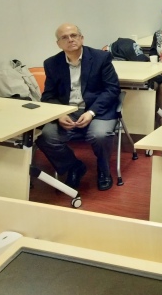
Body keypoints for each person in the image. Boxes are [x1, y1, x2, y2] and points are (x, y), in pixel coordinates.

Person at [37, 23, 120, 191]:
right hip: (67, 111)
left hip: (97, 110)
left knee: (100, 135)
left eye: (74, 35)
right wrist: (59, 114)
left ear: (81, 38)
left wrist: (91, 112)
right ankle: (74, 166)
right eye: (64, 37)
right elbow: (48, 96)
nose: (70, 40)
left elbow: (112, 89)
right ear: (58, 44)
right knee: (45, 137)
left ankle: (103, 169)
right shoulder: (52, 63)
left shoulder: (101, 58)